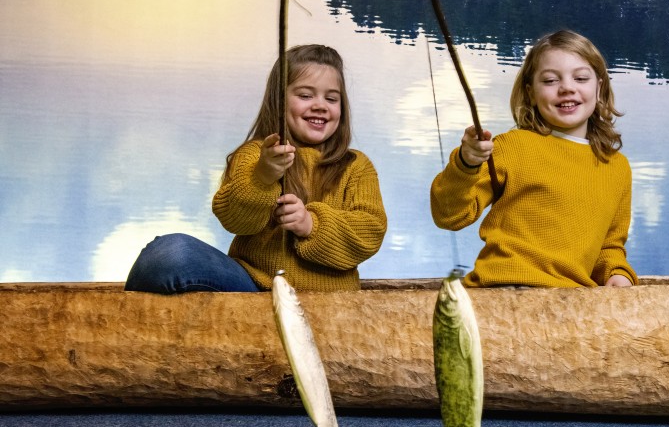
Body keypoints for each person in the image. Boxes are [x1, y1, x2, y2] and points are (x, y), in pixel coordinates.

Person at [125, 44, 387, 293]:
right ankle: (123, 322)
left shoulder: (355, 166)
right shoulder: (254, 155)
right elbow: (234, 220)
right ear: (279, 100)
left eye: (332, 98)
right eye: (305, 95)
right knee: (170, 251)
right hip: (253, 288)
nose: (320, 105)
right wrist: (263, 176)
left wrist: (310, 224)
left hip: (329, 300)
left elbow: (369, 233)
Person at [430, 29, 637, 288]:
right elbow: (449, 215)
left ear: (599, 87)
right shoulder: (512, 147)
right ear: (530, 93)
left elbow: (610, 246)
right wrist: (466, 163)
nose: (567, 88)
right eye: (550, 80)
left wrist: (617, 273)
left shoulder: (617, 167)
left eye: (581, 78)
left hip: (571, 301)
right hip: (501, 288)